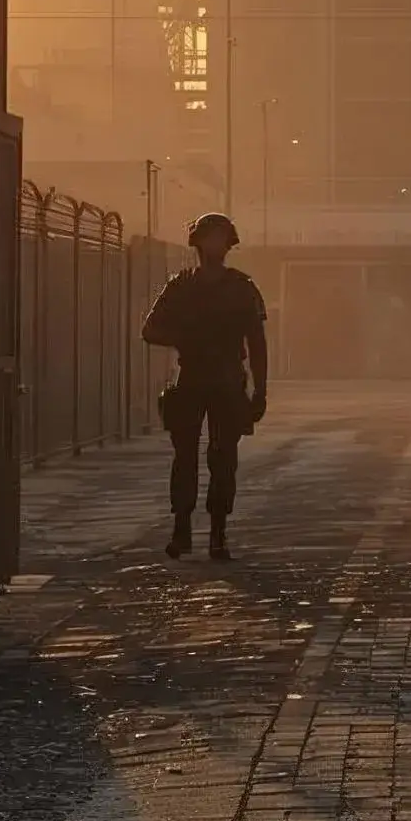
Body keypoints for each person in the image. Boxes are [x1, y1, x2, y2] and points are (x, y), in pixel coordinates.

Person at [142, 211, 268, 562]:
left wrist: (261, 391)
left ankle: (217, 532)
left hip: (227, 378)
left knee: (223, 458)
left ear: (229, 244)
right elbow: (150, 329)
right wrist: (186, 337)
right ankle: (182, 529)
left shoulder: (242, 288)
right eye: (208, 237)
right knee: (185, 458)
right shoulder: (180, 285)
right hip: (192, 376)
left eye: (219, 238)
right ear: (197, 242)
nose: (213, 245)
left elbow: (257, 342)